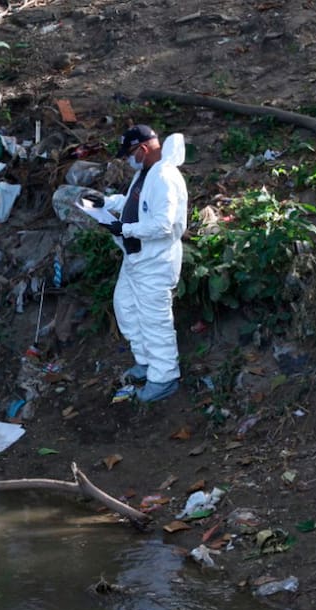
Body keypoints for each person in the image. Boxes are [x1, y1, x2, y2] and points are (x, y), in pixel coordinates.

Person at [85, 124, 188, 403]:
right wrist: (106, 202)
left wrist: (124, 229)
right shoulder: (146, 173)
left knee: (155, 320)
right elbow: (134, 203)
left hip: (156, 262)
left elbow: (163, 225)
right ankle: (146, 362)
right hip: (136, 258)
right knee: (126, 308)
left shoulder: (164, 177)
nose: (129, 160)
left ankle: (164, 377)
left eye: (130, 154)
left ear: (142, 149)